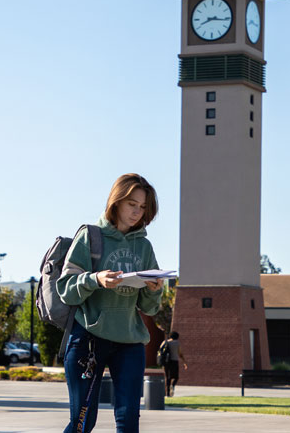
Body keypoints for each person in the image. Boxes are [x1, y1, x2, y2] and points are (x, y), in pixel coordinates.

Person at [57, 173, 164, 433]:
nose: (137, 212)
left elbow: (150, 309)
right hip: (89, 340)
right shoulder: (90, 237)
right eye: (132, 204)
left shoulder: (144, 247)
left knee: (128, 423)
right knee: (83, 421)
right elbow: (65, 290)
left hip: (130, 342)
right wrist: (95, 279)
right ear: (117, 201)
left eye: (142, 207)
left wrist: (154, 290)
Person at [161, 331, 187, 396]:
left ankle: (167, 393)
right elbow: (180, 354)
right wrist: (184, 362)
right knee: (175, 377)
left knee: (167, 377)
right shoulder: (177, 343)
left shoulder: (165, 342)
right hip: (174, 361)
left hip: (166, 362)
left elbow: (160, 351)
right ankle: (172, 385)